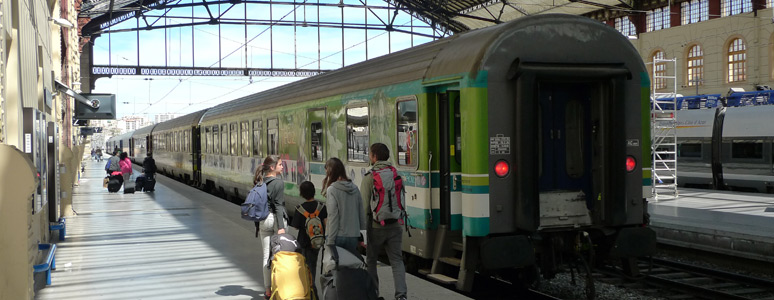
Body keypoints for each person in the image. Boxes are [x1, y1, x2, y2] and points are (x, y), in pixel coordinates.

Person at [361, 143, 407, 300]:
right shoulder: (396, 175)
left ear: (374, 157)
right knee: (397, 261)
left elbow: (364, 208)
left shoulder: (369, 177)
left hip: (375, 226)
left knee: (371, 261)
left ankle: (374, 294)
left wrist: (362, 232)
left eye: (370, 155)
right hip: (395, 225)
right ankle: (401, 295)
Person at [253, 155, 287, 300]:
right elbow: (279, 206)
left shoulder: (260, 181)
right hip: (275, 220)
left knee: (266, 256)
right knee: (281, 255)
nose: (282, 166)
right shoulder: (278, 183)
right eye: (280, 164)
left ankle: (268, 290)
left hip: (263, 220)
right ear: (272, 167)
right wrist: (281, 227)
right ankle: (281, 287)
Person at [323, 157, 367, 258]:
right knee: (349, 269)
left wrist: (330, 240)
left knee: (337, 268)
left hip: (337, 235)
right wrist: (363, 237)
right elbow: (361, 215)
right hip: (353, 236)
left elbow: (333, 216)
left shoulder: (332, 190)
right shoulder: (355, 188)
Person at [290, 181, 327, 295]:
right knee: (313, 266)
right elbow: (326, 223)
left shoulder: (300, 209)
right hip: (316, 242)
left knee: (305, 268)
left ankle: (311, 291)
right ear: (314, 192)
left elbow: (295, 226)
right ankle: (311, 289)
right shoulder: (321, 207)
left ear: (302, 194)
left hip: (303, 242)